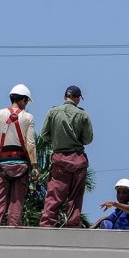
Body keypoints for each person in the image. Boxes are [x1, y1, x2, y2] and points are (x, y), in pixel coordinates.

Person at [39, 85, 94, 228]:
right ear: (77, 98)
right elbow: (88, 139)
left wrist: (57, 140)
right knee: (75, 198)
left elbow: (44, 135)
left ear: (65, 97)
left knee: (54, 195)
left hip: (59, 161)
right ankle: (72, 225)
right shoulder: (84, 115)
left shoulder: (53, 112)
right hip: (78, 161)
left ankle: (47, 225)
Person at [0, 84, 39, 226]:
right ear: (22, 100)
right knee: (17, 200)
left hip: (3, 163)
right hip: (21, 163)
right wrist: (34, 165)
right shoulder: (28, 118)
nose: (26, 105)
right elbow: (31, 144)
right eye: (26, 101)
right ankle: (13, 228)